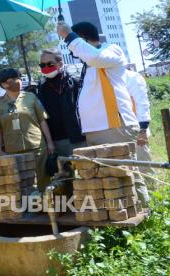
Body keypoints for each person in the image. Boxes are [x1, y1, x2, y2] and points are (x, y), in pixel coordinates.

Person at [57, 21, 150, 206]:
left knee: (128, 174)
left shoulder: (111, 50)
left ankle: (143, 214)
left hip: (115, 126)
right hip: (95, 130)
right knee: (107, 178)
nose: (74, 54)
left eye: (74, 47)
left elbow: (94, 57)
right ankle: (118, 217)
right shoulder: (89, 62)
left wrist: (68, 35)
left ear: (82, 39)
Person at [0, 68, 55, 191]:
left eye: (19, 78)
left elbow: (42, 120)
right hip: (14, 151)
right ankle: (30, 209)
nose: (19, 81)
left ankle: (47, 207)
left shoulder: (30, 97)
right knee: (22, 184)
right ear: (4, 84)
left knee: (43, 181)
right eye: (14, 79)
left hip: (36, 147)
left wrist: (50, 143)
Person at [37, 48, 86, 157]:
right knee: (64, 173)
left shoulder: (75, 82)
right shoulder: (40, 88)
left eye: (50, 64)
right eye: (42, 65)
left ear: (60, 63)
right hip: (55, 142)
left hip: (77, 138)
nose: (45, 68)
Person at [125, 68, 154, 181]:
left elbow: (142, 104)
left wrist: (142, 130)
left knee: (143, 164)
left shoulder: (132, 77)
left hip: (137, 129)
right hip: (125, 130)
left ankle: (153, 191)